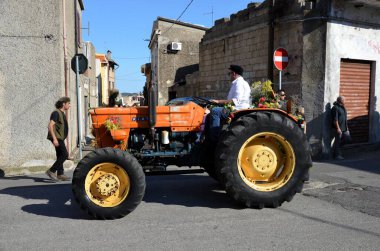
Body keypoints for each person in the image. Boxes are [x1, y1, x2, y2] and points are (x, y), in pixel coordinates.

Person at [208, 65, 251, 142]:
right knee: (216, 109)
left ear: (234, 73)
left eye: (229, 74)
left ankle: (214, 140)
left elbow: (235, 101)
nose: (229, 76)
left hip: (237, 109)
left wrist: (218, 101)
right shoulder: (242, 83)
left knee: (215, 111)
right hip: (239, 107)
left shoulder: (239, 83)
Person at [46, 97, 72, 181]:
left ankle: (60, 174)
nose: (69, 105)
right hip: (57, 137)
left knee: (60, 155)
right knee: (64, 155)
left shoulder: (61, 113)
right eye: (68, 103)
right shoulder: (56, 113)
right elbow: (50, 125)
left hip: (60, 137)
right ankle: (51, 170)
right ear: (63, 104)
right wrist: (54, 139)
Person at [331, 96, 349, 160]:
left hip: (344, 128)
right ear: (340, 100)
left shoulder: (343, 107)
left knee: (347, 139)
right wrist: (338, 128)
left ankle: (336, 150)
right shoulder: (335, 108)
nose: (345, 101)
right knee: (338, 141)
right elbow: (335, 120)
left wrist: (347, 128)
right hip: (337, 129)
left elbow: (345, 118)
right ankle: (337, 155)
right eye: (344, 100)